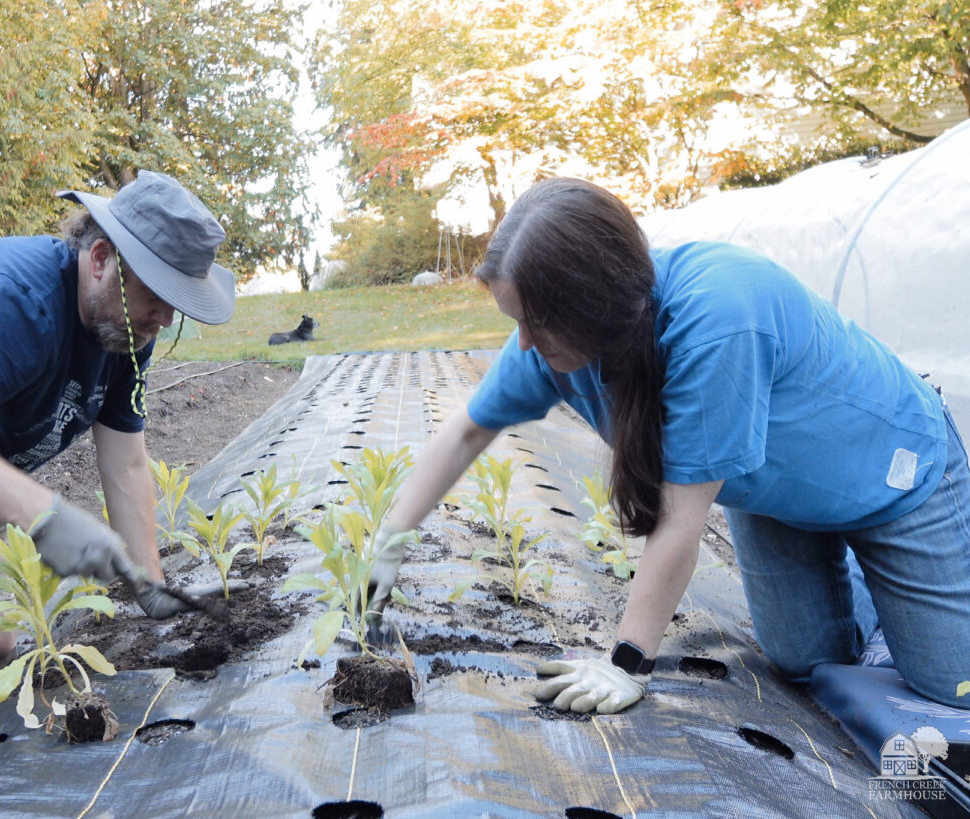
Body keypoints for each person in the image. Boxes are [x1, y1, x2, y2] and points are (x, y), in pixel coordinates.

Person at [364, 176, 970, 713]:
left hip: (893, 470)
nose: (520, 342)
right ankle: (883, 594)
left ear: (590, 305)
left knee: (953, 685)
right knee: (802, 663)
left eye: (532, 321)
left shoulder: (718, 318)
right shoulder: (554, 349)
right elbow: (469, 429)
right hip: (779, 492)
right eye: (513, 319)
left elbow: (681, 517)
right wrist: (388, 541)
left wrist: (627, 663)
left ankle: (910, 584)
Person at [0, 170, 237, 660]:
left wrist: (150, 586)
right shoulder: (20, 301)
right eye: (157, 296)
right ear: (101, 259)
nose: (165, 319)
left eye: (176, 305)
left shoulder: (125, 332)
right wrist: (43, 516)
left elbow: (126, 463)